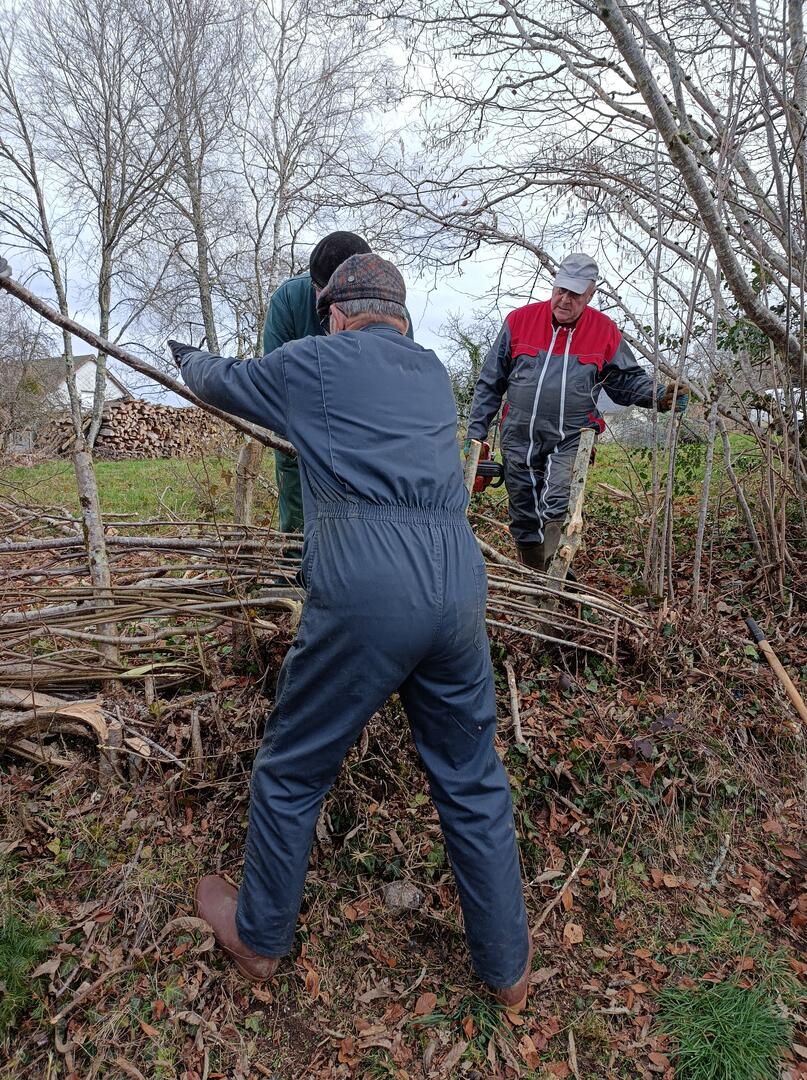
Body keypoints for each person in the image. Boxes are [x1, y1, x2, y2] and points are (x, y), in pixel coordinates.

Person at [169, 254, 533, 1009]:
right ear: (400, 317)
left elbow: (218, 382)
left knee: (293, 767)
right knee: (470, 781)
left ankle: (259, 936)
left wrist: (178, 351)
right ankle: (508, 970)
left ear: (334, 312)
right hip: (459, 585)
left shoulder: (316, 362)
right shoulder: (433, 373)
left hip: (370, 586)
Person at [466, 254, 689, 571]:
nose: (564, 299)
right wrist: (476, 436)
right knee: (524, 515)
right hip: (519, 436)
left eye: (574, 294)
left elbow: (624, 380)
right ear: (554, 285)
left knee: (557, 503)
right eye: (560, 290)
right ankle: (538, 575)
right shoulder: (520, 321)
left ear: (590, 294)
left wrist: (659, 395)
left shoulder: (604, 331)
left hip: (571, 437)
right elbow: (490, 382)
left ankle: (554, 579)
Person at [264, 231, 413, 533]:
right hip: (302, 422)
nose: (324, 301)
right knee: (299, 507)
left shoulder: (389, 309)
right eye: (320, 290)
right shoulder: (288, 301)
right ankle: (294, 567)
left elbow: (398, 381)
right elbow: (277, 379)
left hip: (366, 423)